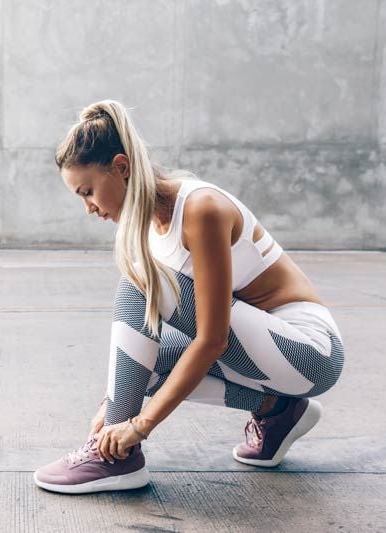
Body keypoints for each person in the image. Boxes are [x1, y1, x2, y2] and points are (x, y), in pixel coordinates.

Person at [33, 100, 345, 495]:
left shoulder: (201, 210)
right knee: (144, 367)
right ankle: (279, 412)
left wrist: (136, 424)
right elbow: (152, 354)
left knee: (138, 284)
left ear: (121, 167)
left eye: (88, 191)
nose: (88, 208)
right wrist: (112, 406)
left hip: (310, 352)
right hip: (264, 355)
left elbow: (212, 339)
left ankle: (116, 459)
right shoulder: (145, 228)